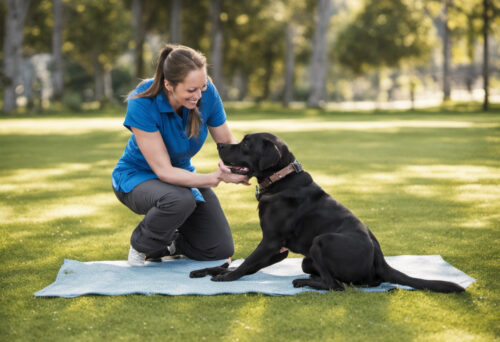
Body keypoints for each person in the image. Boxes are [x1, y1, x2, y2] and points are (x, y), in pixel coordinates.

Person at [112, 44, 249, 266]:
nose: (198, 95)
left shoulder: (207, 94)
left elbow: (228, 144)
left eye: (202, 87)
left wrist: (247, 170)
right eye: (191, 90)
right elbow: (163, 171)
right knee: (179, 200)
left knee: (219, 250)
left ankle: (171, 244)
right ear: (168, 85)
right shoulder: (142, 101)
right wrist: (215, 178)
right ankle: (142, 245)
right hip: (137, 177)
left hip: (181, 176)